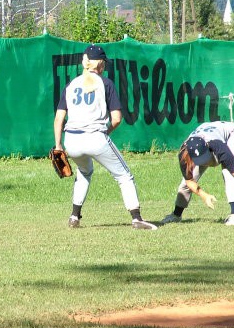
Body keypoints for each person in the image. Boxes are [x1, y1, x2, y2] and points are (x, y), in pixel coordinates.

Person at [53, 44, 157, 230]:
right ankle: (136, 218)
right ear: (100, 65)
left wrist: (58, 145)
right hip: (95, 137)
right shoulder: (105, 83)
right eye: (104, 64)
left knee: (84, 172)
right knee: (124, 176)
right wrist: (105, 133)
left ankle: (74, 216)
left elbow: (59, 118)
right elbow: (117, 119)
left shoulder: (71, 85)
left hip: (72, 140)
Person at [161, 121, 234, 226]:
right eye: (200, 160)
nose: (205, 162)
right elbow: (189, 181)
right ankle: (176, 215)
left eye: (204, 158)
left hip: (230, 134)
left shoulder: (218, 147)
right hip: (206, 133)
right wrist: (204, 195)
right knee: (185, 183)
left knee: (228, 173)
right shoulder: (184, 154)